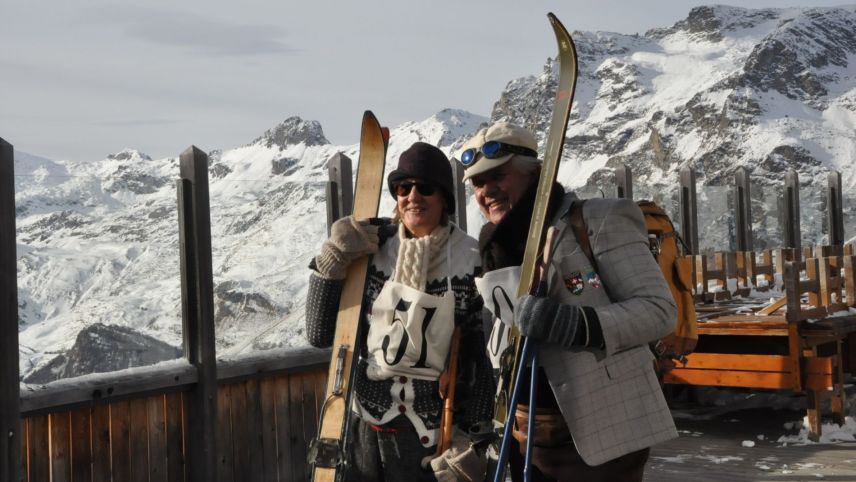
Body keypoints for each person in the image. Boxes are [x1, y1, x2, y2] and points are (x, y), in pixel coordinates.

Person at [460, 122, 678, 482]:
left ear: (535, 174)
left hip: (601, 434)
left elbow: (658, 311)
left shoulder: (597, 219)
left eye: (498, 175)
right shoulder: (490, 247)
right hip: (525, 434)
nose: (487, 191)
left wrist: (576, 325)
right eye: (477, 183)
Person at [305, 141, 494, 481]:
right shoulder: (370, 250)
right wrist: (332, 259)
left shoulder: (470, 259)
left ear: (444, 199)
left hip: (433, 439)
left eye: (426, 188)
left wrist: (474, 438)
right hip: (363, 430)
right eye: (403, 188)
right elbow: (319, 334)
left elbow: (478, 356)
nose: (413, 196)